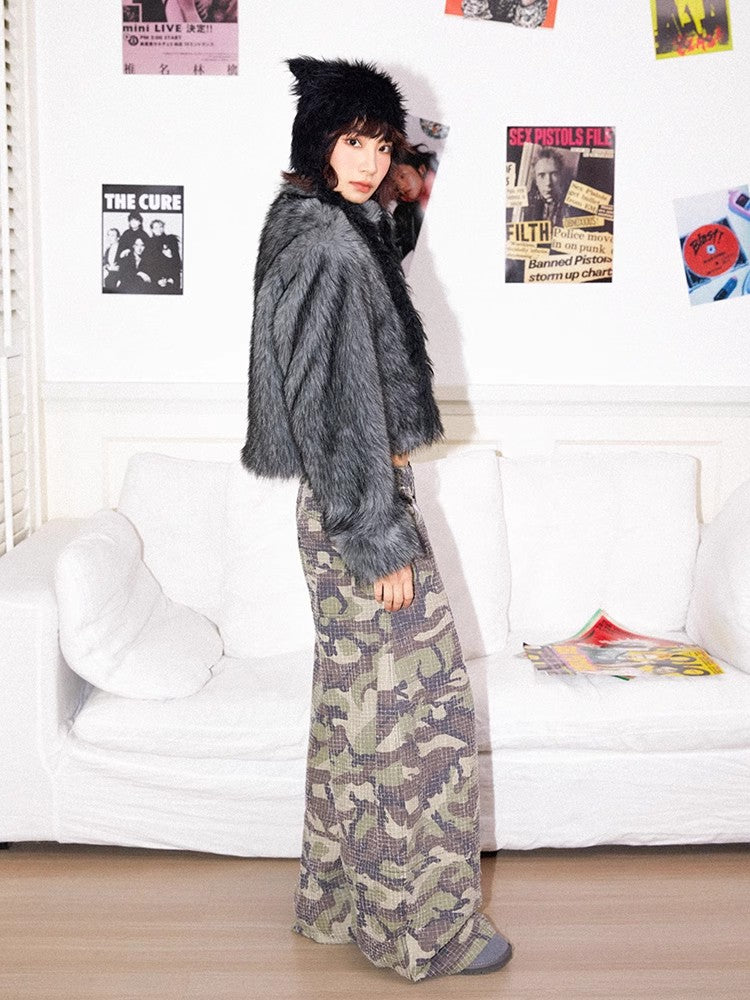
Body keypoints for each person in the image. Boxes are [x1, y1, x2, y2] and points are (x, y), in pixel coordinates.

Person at [240, 56, 513, 982]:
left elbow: (376, 263)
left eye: (381, 145)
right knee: (417, 719)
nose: (368, 162)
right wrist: (376, 534)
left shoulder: (316, 224)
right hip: (360, 506)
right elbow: (332, 405)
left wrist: (406, 187)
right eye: (352, 141)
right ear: (318, 141)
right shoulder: (325, 248)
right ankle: (427, 930)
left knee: (356, 709)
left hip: (345, 501)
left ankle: (337, 903)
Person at [391, 145, 435, 259]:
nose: (401, 187)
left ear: (421, 169)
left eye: (402, 176)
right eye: (395, 186)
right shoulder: (404, 215)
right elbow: (390, 254)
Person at [146, 219, 182, 292]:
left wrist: (170, 279)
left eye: (161, 227)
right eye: (156, 227)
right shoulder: (149, 243)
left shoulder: (171, 240)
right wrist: (156, 279)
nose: (159, 229)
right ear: (152, 230)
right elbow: (148, 263)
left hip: (170, 275)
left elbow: (176, 261)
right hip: (155, 277)